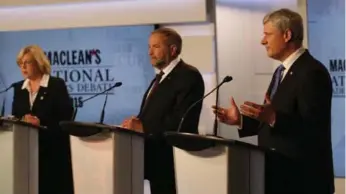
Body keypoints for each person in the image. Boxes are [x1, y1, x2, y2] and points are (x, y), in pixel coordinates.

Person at [212, 9, 334, 194]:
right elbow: (275, 122)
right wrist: (241, 121)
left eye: (267, 34)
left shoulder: (311, 72)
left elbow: (313, 129)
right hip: (280, 177)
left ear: (287, 35)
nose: (263, 41)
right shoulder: (282, 72)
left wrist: (273, 117)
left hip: (302, 181)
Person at [121, 28, 205, 194]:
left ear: (173, 50)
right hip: (155, 157)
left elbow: (183, 120)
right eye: (149, 47)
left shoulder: (188, 75)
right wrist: (135, 123)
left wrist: (144, 127)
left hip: (173, 159)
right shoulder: (160, 77)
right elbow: (153, 114)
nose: (150, 52)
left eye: (156, 46)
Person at [12, 45, 74, 194]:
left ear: (38, 62)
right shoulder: (18, 88)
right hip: (26, 156)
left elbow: (66, 118)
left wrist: (40, 123)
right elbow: (15, 116)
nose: (23, 67)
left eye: (27, 62)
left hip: (52, 155)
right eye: (20, 63)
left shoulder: (56, 85)